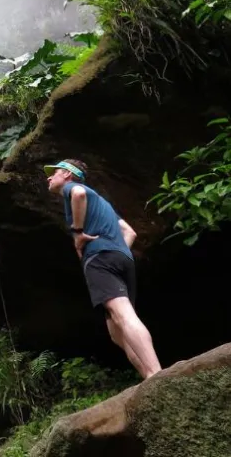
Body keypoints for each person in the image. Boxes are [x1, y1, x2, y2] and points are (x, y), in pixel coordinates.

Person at [44, 159, 162, 380]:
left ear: (68, 175)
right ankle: (149, 376)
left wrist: (77, 232)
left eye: (55, 172)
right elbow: (130, 233)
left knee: (123, 314)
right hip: (121, 259)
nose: (49, 177)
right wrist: (116, 249)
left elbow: (78, 193)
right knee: (116, 331)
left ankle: (157, 373)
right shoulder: (102, 203)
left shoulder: (74, 189)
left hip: (100, 259)